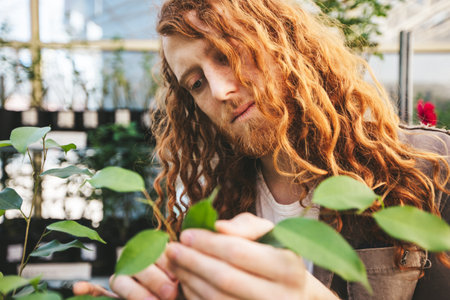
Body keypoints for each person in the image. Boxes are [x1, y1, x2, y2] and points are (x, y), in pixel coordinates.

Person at [74, 0, 450, 299]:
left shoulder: (428, 170)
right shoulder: (210, 199)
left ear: (280, 39)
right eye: (196, 83)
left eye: (225, 54)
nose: (219, 91)